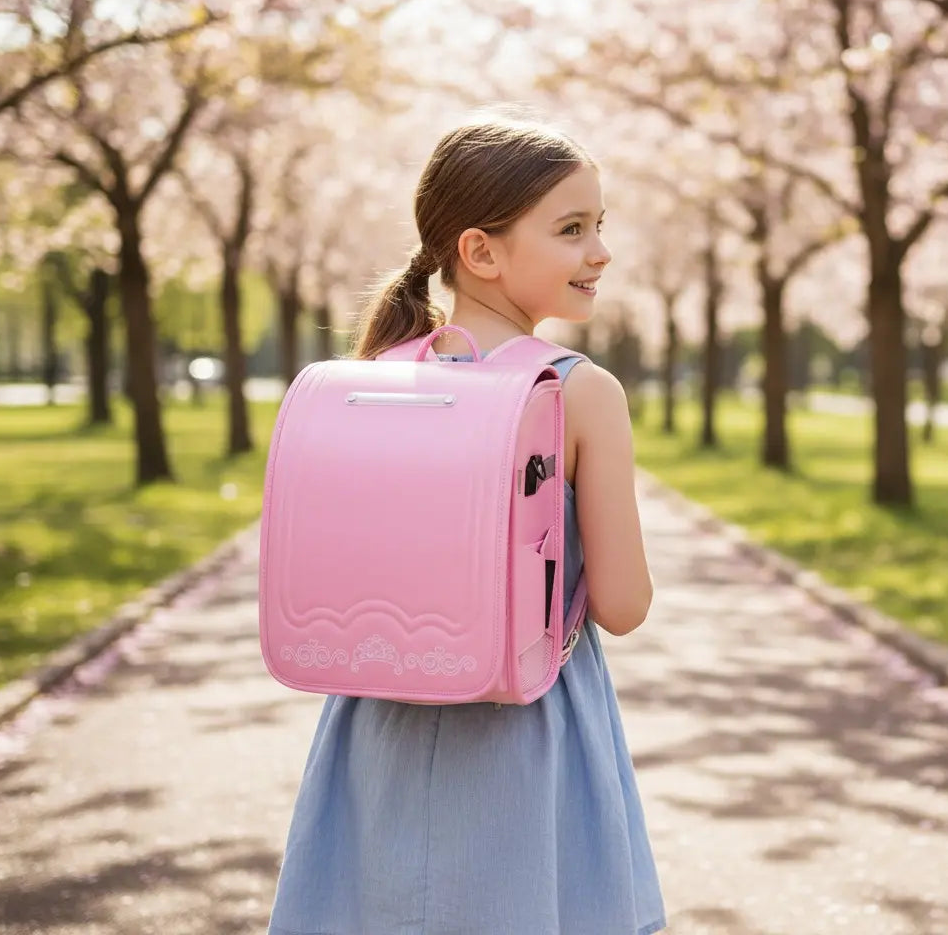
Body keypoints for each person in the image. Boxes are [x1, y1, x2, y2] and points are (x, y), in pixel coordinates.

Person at [266, 115, 666, 935]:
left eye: (600, 226)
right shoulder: (578, 391)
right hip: (530, 729)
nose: (600, 251)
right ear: (480, 251)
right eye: (572, 229)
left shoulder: (369, 377)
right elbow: (622, 605)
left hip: (380, 719)